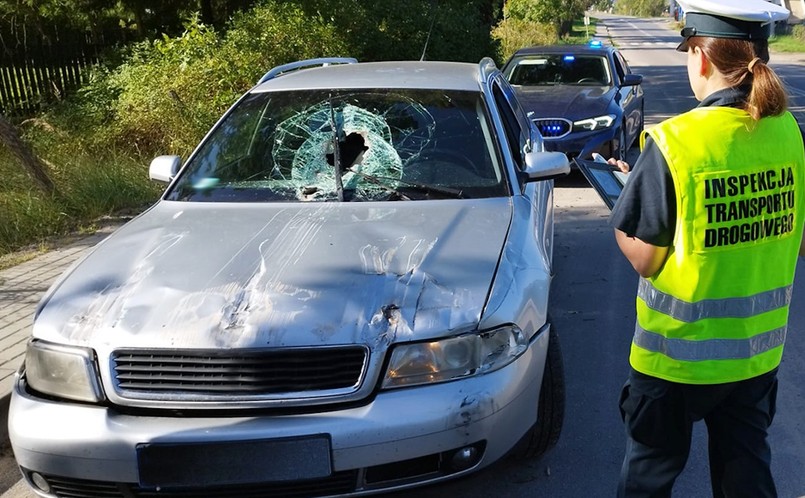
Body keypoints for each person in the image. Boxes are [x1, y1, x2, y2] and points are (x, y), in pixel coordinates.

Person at [607, 0, 805, 496]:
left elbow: (647, 258)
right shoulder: (789, 132)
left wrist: (622, 214)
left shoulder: (676, 142)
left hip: (674, 361)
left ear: (699, 56)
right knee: (746, 477)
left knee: (648, 480)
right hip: (755, 360)